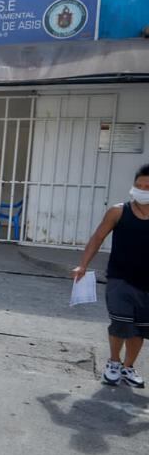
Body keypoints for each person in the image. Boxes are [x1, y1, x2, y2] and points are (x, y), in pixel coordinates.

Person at [72, 164, 149, 389]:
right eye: (139, 185)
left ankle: (128, 367)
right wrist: (82, 265)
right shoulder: (118, 211)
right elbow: (98, 237)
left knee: (140, 329)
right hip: (120, 279)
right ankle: (114, 363)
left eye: (147, 187)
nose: (143, 189)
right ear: (133, 186)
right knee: (120, 324)